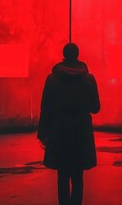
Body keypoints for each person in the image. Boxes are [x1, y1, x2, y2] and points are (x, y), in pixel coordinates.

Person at [38, 42, 100, 205]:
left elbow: (46, 108)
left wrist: (42, 133)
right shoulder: (89, 79)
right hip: (81, 133)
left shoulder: (52, 79)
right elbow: (95, 108)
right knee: (78, 177)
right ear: (77, 55)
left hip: (59, 132)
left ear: (64, 55)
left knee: (62, 176)